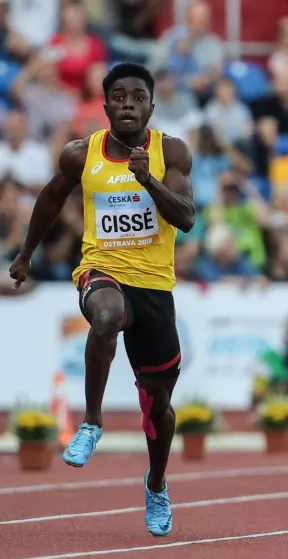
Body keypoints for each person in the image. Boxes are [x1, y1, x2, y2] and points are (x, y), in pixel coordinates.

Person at [8, 62, 195, 535]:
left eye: (137, 96)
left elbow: (188, 218)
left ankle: (156, 483)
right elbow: (51, 198)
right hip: (101, 269)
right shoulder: (80, 154)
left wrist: (148, 181)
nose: (128, 103)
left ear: (152, 106)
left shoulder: (170, 151)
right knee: (105, 316)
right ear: (106, 104)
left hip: (154, 285)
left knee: (158, 404)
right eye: (118, 96)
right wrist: (26, 253)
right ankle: (91, 422)